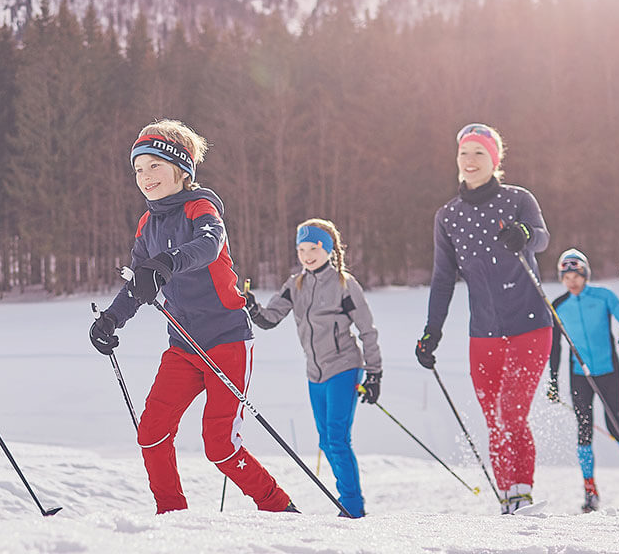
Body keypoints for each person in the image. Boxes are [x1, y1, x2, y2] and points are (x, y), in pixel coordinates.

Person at [87, 119, 296, 514]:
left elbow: (209, 244)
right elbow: (139, 282)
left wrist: (168, 261)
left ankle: (280, 509)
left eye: (154, 166)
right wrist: (111, 319)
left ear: (182, 169)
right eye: (138, 169)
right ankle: (173, 517)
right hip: (183, 348)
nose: (145, 176)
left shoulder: (201, 206)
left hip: (228, 341)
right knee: (150, 433)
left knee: (219, 446)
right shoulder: (147, 224)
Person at [413, 122, 553, 514]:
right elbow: (443, 279)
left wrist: (524, 233)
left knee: (512, 412)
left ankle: (523, 491)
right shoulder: (448, 216)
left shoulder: (518, 200)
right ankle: (508, 496)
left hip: (530, 323)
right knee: (494, 418)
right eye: (464, 154)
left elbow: (542, 237)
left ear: (494, 159)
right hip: (484, 332)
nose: (470, 161)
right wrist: (432, 331)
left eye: (479, 154)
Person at [245, 218, 381, 518]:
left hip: (344, 367)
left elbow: (367, 330)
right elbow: (270, 319)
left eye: (314, 248)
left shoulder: (345, 285)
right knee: (324, 440)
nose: (307, 255)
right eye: (301, 249)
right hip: (315, 373)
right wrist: (252, 307)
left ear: (328, 249)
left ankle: (353, 508)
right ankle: (347, 500)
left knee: (336, 438)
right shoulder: (295, 285)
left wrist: (374, 373)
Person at [546, 248, 619, 512]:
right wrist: (552, 381)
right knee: (584, 431)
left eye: (576, 274)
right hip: (579, 376)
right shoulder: (558, 306)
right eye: (566, 276)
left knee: (614, 426)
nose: (571, 281)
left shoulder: (604, 297)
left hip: (608, 371)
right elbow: (554, 348)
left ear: (585, 274)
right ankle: (590, 491)